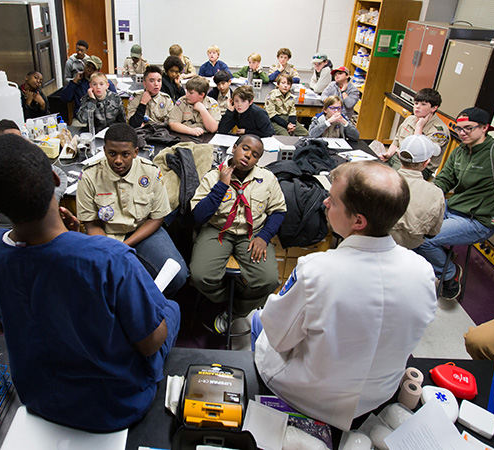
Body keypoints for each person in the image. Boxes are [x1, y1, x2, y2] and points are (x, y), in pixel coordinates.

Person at [0, 133, 180, 432]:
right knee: (171, 309)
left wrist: (76, 241)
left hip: (39, 396)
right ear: (57, 180)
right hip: (116, 406)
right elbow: (150, 344)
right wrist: (80, 243)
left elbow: (43, 280)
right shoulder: (111, 258)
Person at [253, 161, 436, 431]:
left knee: (258, 321)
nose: (325, 202)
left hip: (307, 397)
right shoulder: (423, 270)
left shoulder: (316, 270)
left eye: (334, 201)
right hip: (378, 395)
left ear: (358, 221)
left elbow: (280, 340)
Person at [76, 124, 188, 297]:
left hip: (143, 231)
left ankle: (150, 306)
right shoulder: (90, 176)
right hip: (107, 236)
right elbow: (91, 224)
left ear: (135, 152)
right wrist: (111, 248)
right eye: (112, 153)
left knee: (177, 275)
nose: (118, 160)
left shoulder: (150, 172)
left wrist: (125, 246)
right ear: (104, 150)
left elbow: (157, 218)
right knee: (104, 284)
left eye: (125, 154)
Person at [415, 107, 494, 300]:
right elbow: (444, 179)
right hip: (452, 209)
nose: (461, 133)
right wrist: (427, 195)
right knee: (410, 229)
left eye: (468, 128)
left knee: (425, 240)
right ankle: (442, 255)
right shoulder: (460, 150)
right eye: (459, 128)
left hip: (477, 221)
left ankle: (450, 274)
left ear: (485, 128)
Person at [190, 135, 286, 333]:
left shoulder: (267, 179)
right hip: (217, 230)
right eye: (245, 148)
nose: (248, 155)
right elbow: (199, 216)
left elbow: (278, 211)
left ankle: (234, 311)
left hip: (252, 233)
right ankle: (228, 298)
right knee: (200, 276)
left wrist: (264, 237)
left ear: (258, 160)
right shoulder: (213, 176)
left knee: (268, 280)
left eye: (255, 155)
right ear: (234, 148)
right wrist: (222, 186)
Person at [0, 120, 67, 234]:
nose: (19, 146)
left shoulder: (25, 163)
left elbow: (60, 174)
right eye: (12, 142)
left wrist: (51, 201)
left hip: (29, 229)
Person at [389, 135, 444, 249]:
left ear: (399, 155)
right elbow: (432, 233)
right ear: (426, 162)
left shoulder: (379, 181)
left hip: (372, 245)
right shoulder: (435, 194)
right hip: (407, 249)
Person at [379, 88, 449, 177]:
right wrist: (388, 154)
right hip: (398, 158)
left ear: (434, 108)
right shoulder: (410, 119)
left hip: (418, 168)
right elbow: (397, 141)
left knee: (386, 180)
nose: (417, 107)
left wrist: (419, 127)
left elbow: (418, 150)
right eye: (416, 103)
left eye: (423, 104)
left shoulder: (438, 131)